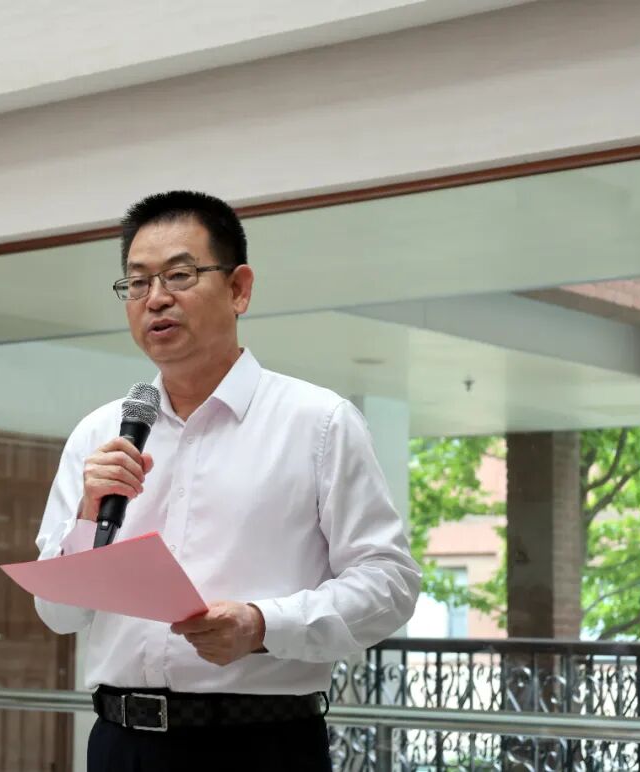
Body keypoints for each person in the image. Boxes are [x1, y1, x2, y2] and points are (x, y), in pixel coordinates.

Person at [34, 190, 420, 771]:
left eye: (179, 275)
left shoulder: (318, 423)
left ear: (239, 288)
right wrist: (88, 517)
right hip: (121, 744)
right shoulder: (100, 433)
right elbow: (58, 615)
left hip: (260, 743)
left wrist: (263, 626)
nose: (156, 299)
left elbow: (390, 584)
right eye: (136, 283)